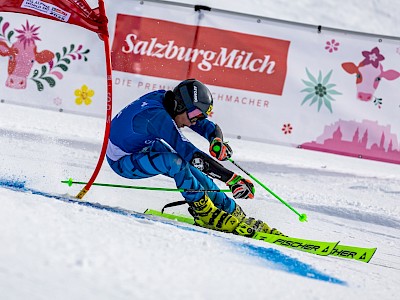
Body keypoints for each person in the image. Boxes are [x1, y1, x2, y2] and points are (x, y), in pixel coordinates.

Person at [106, 79, 284, 237]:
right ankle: (203, 210)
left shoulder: (171, 103)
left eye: (198, 117)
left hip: (143, 145)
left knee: (188, 168)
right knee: (175, 162)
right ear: (180, 106)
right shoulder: (157, 117)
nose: (193, 122)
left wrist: (217, 141)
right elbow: (190, 153)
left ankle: (230, 210)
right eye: (193, 116)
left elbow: (208, 127)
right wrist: (230, 178)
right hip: (123, 160)